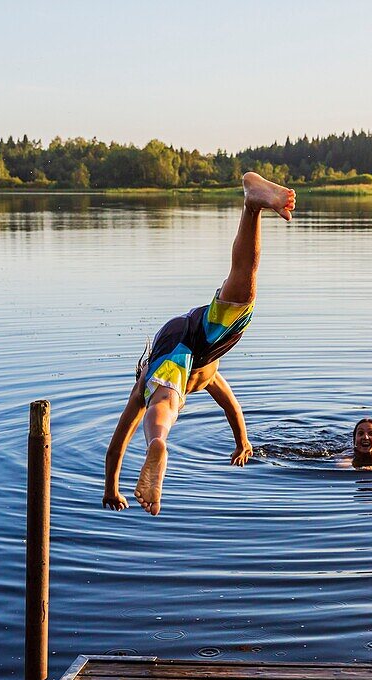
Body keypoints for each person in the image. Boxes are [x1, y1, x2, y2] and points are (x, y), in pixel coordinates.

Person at [102, 172, 296, 515]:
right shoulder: (207, 374)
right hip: (202, 334)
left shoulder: (146, 385)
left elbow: (117, 445)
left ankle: (158, 443)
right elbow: (231, 408)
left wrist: (112, 489)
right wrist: (242, 442)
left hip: (181, 338)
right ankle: (252, 208)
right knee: (243, 286)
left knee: (165, 402)